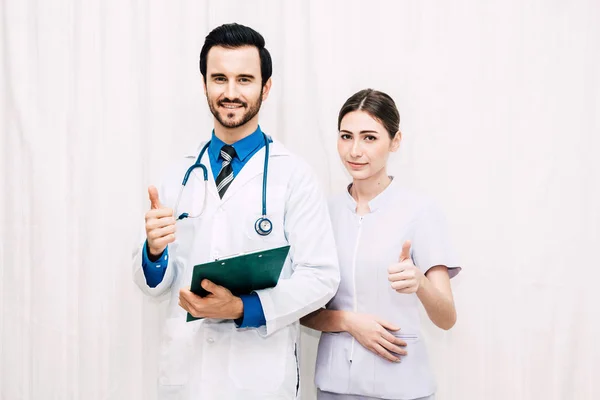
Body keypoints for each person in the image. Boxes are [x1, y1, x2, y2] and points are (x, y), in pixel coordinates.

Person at [132, 23, 340, 400]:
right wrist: (154, 254)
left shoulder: (295, 176)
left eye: (244, 79)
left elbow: (321, 277)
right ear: (204, 84)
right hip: (187, 375)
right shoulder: (177, 174)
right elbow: (155, 282)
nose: (230, 93)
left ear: (266, 87)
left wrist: (243, 308)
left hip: (259, 378)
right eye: (219, 79)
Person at [301, 89, 461, 400]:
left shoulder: (420, 212)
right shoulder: (322, 214)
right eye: (346, 136)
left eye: (369, 138)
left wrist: (421, 283)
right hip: (335, 388)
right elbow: (300, 309)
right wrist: (347, 321)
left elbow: (447, 318)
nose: (355, 150)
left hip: (402, 386)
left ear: (395, 141)